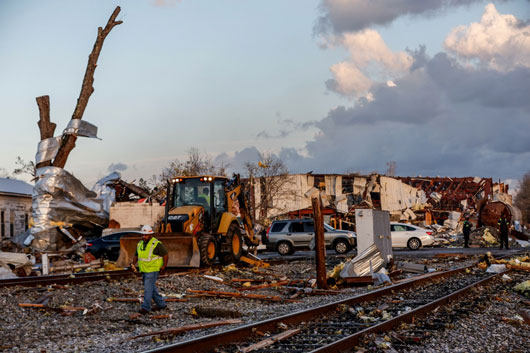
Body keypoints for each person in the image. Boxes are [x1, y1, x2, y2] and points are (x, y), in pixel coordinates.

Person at [130, 225, 169, 314]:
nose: (144, 236)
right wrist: (133, 263)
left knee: (148, 289)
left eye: (146, 235)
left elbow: (165, 254)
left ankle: (145, 307)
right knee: (152, 288)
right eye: (143, 235)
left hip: (153, 270)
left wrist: (164, 266)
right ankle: (161, 304)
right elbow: (137, 255)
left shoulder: (156, 244)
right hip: (144, 270)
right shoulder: (140, 244)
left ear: (150, 235)